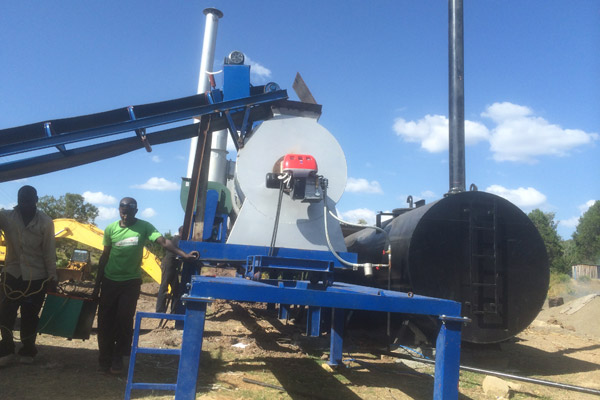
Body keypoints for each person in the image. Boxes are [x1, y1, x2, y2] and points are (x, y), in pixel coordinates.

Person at [94, 197, 197, 374]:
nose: (125, 214)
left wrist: (184, 255)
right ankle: (104, 359)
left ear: (136, 211)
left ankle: (119, 358)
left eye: (128, 211)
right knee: (105, 321)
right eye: (122, 211)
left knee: (124, 320)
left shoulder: (144, 227)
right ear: (119, 210)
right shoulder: (110, 229)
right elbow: (105, 256)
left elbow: (164, 242)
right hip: (110, 281)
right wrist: (97, 285)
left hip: (130, 282)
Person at [0, 185, 57, 366]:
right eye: (21, 199)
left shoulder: (46, 222)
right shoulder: (6, 217)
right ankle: (7, 349)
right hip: (12, 274)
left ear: (36, 200)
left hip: (37, 277)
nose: (23, 203)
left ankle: (28, 349)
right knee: (6, 314)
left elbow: (49, 251)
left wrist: (52, 277)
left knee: (30, 314)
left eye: (28, 199)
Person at [156, 226, 183, 314]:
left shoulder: (178, 239)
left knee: (176, 290)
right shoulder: (176, 239)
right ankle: (160, 310)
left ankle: (174, 311)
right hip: (169, 265)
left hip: (174, 266)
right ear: (182, 232)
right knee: (164, 286)